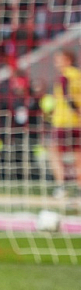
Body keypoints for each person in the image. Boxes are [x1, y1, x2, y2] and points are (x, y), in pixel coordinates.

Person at [48, 51, 81, 199]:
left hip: (63, 121)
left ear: (68, 60)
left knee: (54, 152)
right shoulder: (78, 75)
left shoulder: (65, 76)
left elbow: (68, 98)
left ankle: (61, 186)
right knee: (78, 155)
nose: (57, 63)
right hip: (77, 123)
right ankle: (79, 188)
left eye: (59, 59)